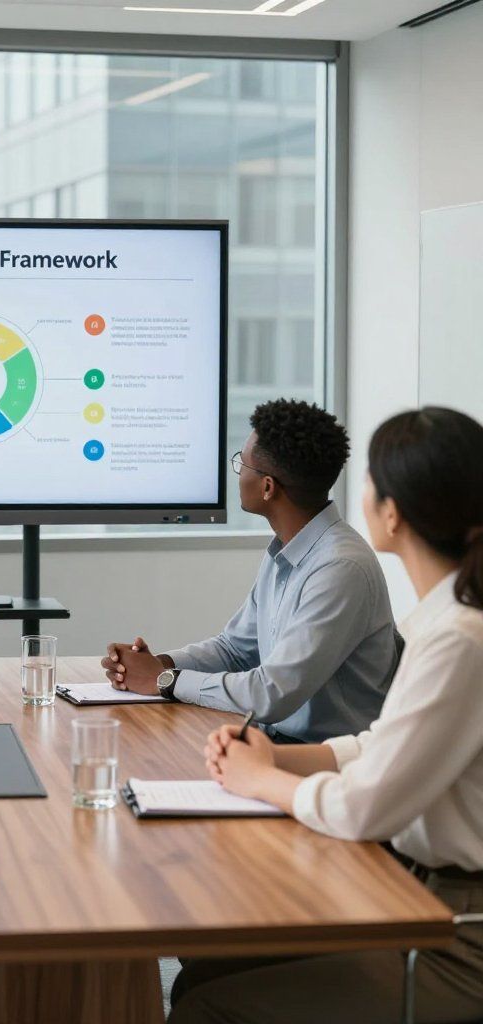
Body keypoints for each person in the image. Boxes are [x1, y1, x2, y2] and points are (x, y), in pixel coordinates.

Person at [168, 405, 483, 1023]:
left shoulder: (458, 639)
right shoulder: (445, 623)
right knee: (203, 967)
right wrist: (274, 757)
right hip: (418, 894)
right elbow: (380, 745)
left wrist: (266, 781)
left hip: (453, 932)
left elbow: (364, 807)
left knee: (207, 1007)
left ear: (390, 511)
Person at [101, 399, 400, 743]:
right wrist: (159, 665)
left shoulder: (340, 569)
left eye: (241, 464)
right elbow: (235, 649)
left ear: (268, 486)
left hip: (324, 762)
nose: (238, 472)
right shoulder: (286, 550)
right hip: (274, 743)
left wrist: (163, 681)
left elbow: (270, 695)